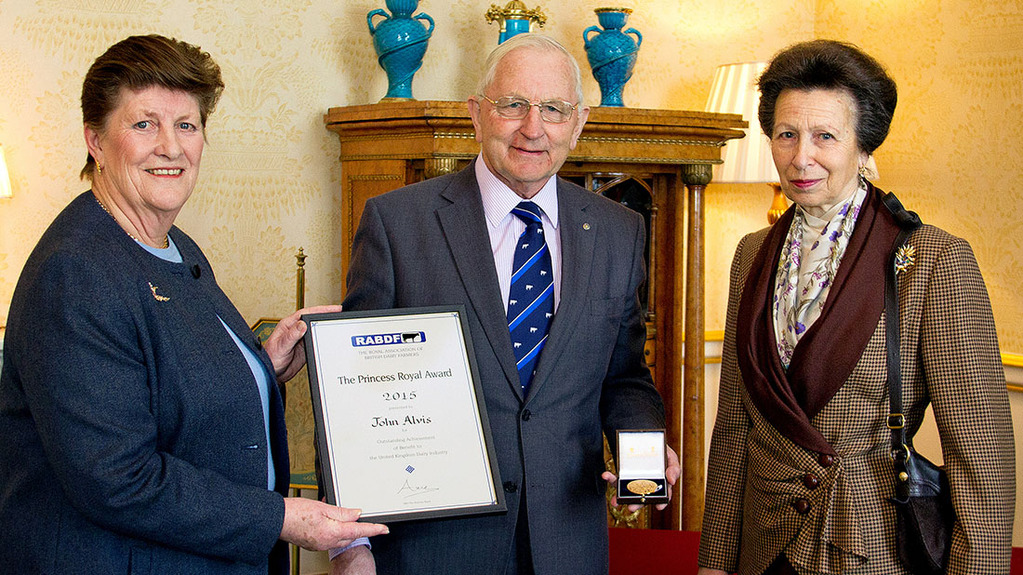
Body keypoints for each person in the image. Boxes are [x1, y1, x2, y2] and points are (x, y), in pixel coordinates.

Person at [0, 34, 387, 574]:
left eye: (187, 125)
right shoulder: (76, 271)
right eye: (144, 124)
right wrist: (281, 518)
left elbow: (165, 391)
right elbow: (119, 479)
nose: (171, 147)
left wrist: (263, 366)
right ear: (95, 140)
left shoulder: (175, 246)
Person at [329, 33, 680, 575]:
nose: (532, 128)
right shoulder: (397, 224)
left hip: (567, 542)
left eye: (554, 110)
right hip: (433, 548)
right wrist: (350, 547)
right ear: (477, 112)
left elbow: (624, 378)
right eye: (513, 105)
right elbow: (352, 398)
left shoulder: (619, 229)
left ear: (579, 122)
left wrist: (645, 452)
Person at [697, 39, 1015, 575]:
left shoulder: (934, 260)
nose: (801, 157)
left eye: (825, 136)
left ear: (865, 148)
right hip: (761, 547)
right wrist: (715, 560)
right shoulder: (751, 252)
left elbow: (980, 455)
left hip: (867, 545)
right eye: (786, 134)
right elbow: (734, 425)